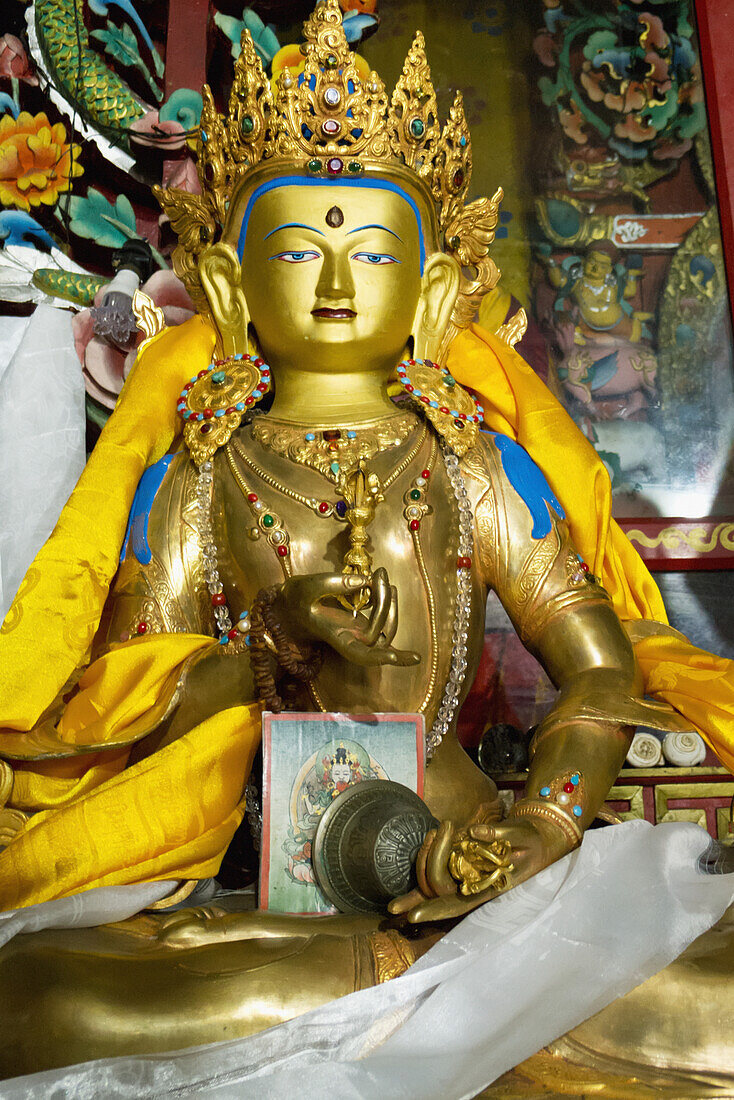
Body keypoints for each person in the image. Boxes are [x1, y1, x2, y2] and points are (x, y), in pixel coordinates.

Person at [0, 1, 733, 1079]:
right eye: (297, 250)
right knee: (37, 997)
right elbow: (123, 701)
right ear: (228, 284)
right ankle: (435, 1004)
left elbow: (597, 675)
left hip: (473, 846)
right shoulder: (200, 471)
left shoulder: (472, 462)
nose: (337, 286)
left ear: (432, 284)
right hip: (252, 870)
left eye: (370, 252)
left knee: (709, 1001)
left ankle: (408, 999)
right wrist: (263, 655)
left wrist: (540, 826)